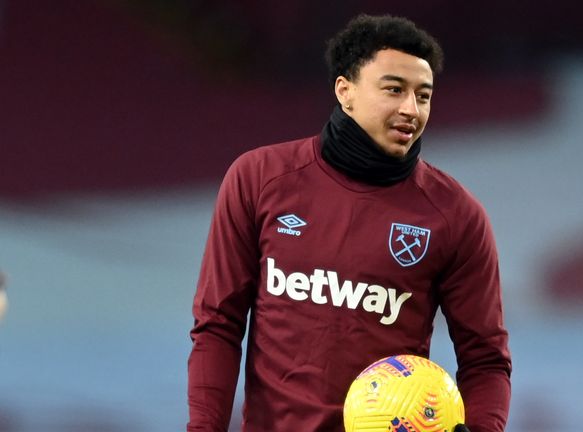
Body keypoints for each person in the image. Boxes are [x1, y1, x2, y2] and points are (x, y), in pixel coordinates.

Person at [187, 13, 511, 432]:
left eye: (424, 95)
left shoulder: (456, 215)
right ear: (345, 91)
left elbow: (485, 359)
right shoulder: (259, 178)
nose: (411, 109)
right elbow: (218, 325)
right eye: (394, 89)